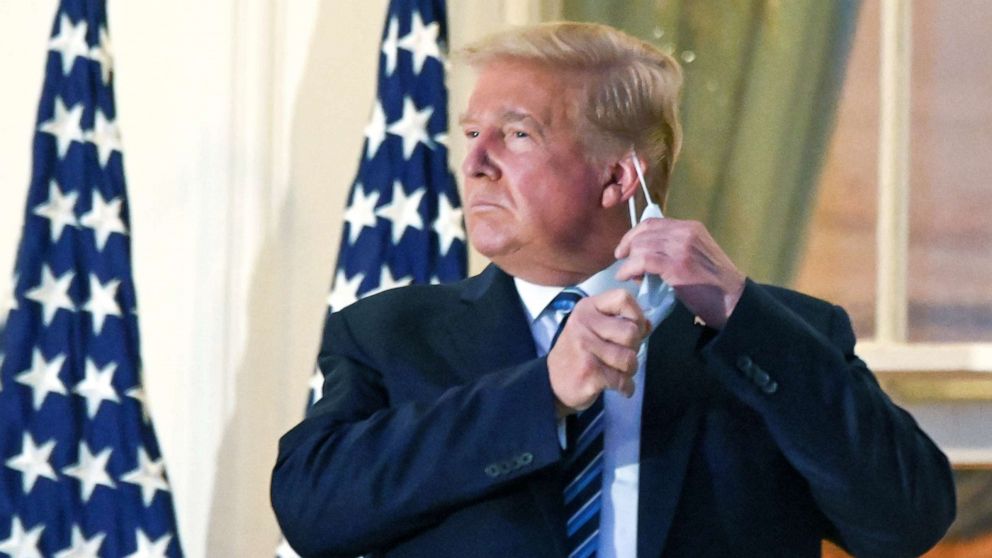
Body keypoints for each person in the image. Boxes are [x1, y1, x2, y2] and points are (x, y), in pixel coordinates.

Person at [271, 21, 955, 557]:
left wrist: (744, 319)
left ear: (619, 179)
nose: (475, 164)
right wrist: (541, 393)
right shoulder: (390, 334)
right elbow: (311, 511)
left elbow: (905, 521)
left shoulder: (778, 336)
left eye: (516, 134)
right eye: (472, 134)